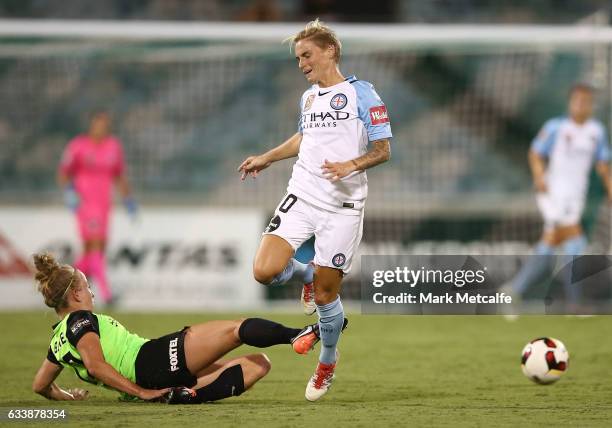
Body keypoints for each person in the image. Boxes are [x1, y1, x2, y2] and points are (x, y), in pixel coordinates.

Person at [238, 19, 392, 401]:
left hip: (342, 207)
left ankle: (327, 361)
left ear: (330, 51)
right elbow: (305, 138)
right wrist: (268, 158)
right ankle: (305, 274)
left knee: (326, 297)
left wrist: (350, 166)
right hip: (303, 195)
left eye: (306, 55)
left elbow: (383, 150)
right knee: (264, 270)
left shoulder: (363, 94)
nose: (302, 64)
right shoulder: (307, 98)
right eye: (297, 58)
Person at [31, 252, 328, 404]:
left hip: (154, 378)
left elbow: (40, 386)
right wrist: (140, 391)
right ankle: (295, 335)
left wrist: (67, 396)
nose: (92, 293)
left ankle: (181, 395)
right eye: (87, 286)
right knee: (236, 330)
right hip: (150, 362)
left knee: (259, 365)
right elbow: (95, 366)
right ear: (75, 295)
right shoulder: (83, 321)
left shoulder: (59, 339)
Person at [509, 83, 611, 311]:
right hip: (553, 195)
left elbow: (603, 163)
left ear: (590, 105)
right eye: (577, 100)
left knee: (549, 247)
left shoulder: (596, 132)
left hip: (576, 199)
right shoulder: (556, 127)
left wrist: (610, 187)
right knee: (575, 241)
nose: (580, 104)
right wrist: (538, 176)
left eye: (585, 101)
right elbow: (535, 152)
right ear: (570, 103)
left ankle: (512, 292)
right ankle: (575, 304)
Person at [57, 111, 137, 305]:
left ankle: (61, 285)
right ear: (91, 126)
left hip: (104, 205)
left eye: (105, 125)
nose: (102, 129)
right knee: (95, 244)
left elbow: (119, 175)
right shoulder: (78, 146)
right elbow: (64, 172)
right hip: (85, 204)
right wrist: (69, 192)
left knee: (94, 250)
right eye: (98, 125)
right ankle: (107, 294)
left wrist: (128, 199)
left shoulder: (113, 147)